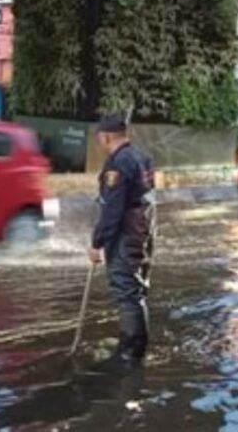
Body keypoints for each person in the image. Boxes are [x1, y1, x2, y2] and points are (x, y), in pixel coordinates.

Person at [87, 114, 157, 369]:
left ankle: (131, 352)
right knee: (136, 289)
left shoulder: (118, 163)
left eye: (100, 137)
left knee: (126, 288)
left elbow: (112, 209)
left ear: (106, 136)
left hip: (127, 231)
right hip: (144, 227)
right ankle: (134, 345)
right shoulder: (141, 157)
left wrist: (97, 242)